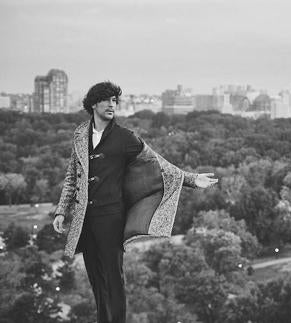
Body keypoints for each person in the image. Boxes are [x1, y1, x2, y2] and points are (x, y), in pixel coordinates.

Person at [52, 81, 218, 323]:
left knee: (113, 278)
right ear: (93, 104)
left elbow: (158, 164)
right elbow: (71, 176)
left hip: (111, 218)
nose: (112, 105)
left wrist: (192, 179)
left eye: (115, 101)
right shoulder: (80, 134)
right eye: (107, 100)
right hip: (85, 219)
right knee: (96, 279)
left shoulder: (125, 137)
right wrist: (61, 211)